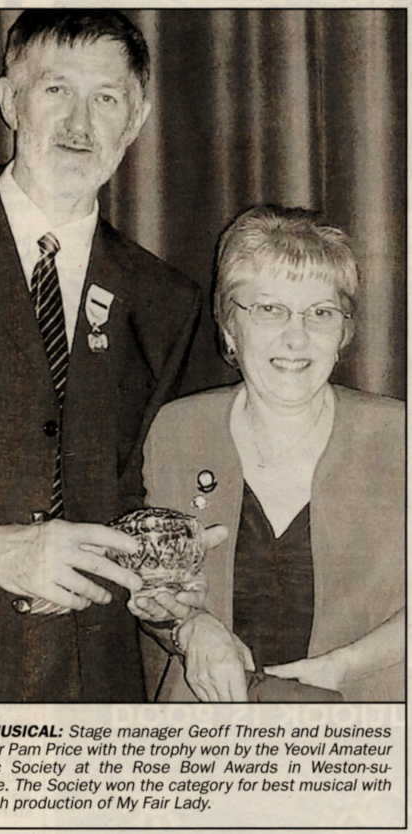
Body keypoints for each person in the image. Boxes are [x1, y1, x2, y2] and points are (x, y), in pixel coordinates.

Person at [0, 10, 203, 702]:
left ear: (135, 119)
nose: (80, 123)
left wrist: (158, 580)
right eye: (56, 90)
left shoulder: (165, 300)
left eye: (106, 98)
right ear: (8, 100)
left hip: (95, 692)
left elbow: (134, 493)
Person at [142, 206, 404, 702]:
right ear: (229, 327)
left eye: (320, 313)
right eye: (269, 309)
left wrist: (346, 665)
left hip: (368, 726)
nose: (296, 337)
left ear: (344, 332)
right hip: (211, 733)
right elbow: (152, 588)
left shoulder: (398, 437)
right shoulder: (178, 431)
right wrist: (191, 626)